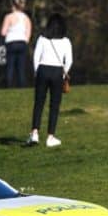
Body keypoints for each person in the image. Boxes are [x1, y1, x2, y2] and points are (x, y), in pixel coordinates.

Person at [27, 13, 73, 148]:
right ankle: (50, 137)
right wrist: (64, 75)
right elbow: (69, 61)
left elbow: (36, 57)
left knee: (39, 103)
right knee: (54, 105)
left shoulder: (42, 39)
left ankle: (34, 133)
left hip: (42, 69)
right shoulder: (66, 41)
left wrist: (37, 72)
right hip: (57, 71)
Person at [0, 0, 32, 88]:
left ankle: (9, 86)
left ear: (13, 6)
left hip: (11, 42)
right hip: (22, 42)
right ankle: (22, 86)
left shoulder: (9, 17)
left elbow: (3, 32)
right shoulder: (26, 18)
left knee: (10, 66)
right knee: (21, 67)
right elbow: (28, 33)